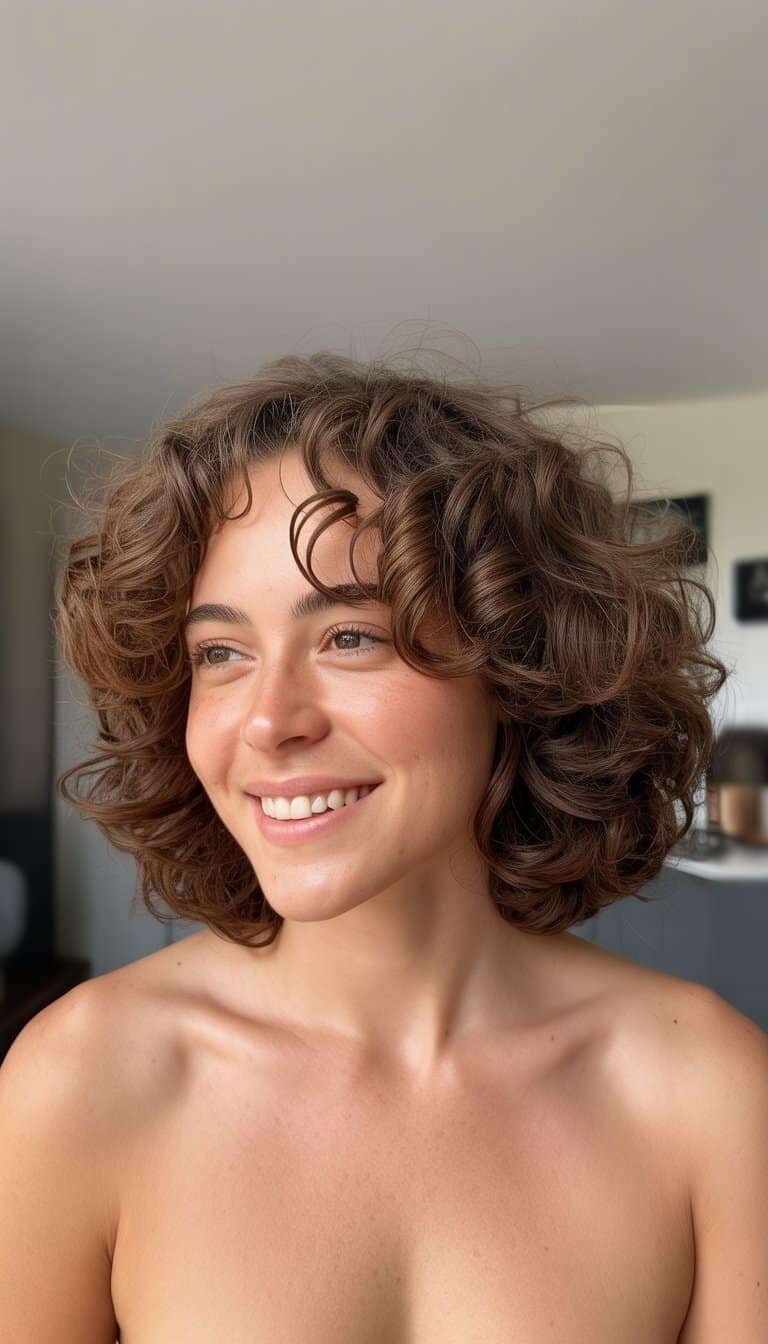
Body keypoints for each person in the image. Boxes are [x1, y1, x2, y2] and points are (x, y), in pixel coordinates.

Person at [1, 351, 766, 1342]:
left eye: (350, 637)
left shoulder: (711, 1093)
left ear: (519, 663)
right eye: (220, 654)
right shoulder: (82, 1080)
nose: (268, 722)